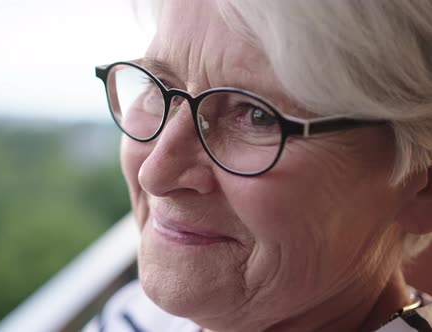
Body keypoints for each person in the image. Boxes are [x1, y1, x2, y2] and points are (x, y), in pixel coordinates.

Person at [87, 0, 432, 331]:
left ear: (424, 184)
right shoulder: (131, 316)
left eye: (258, 116)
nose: (154, 174)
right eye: (159, 84)